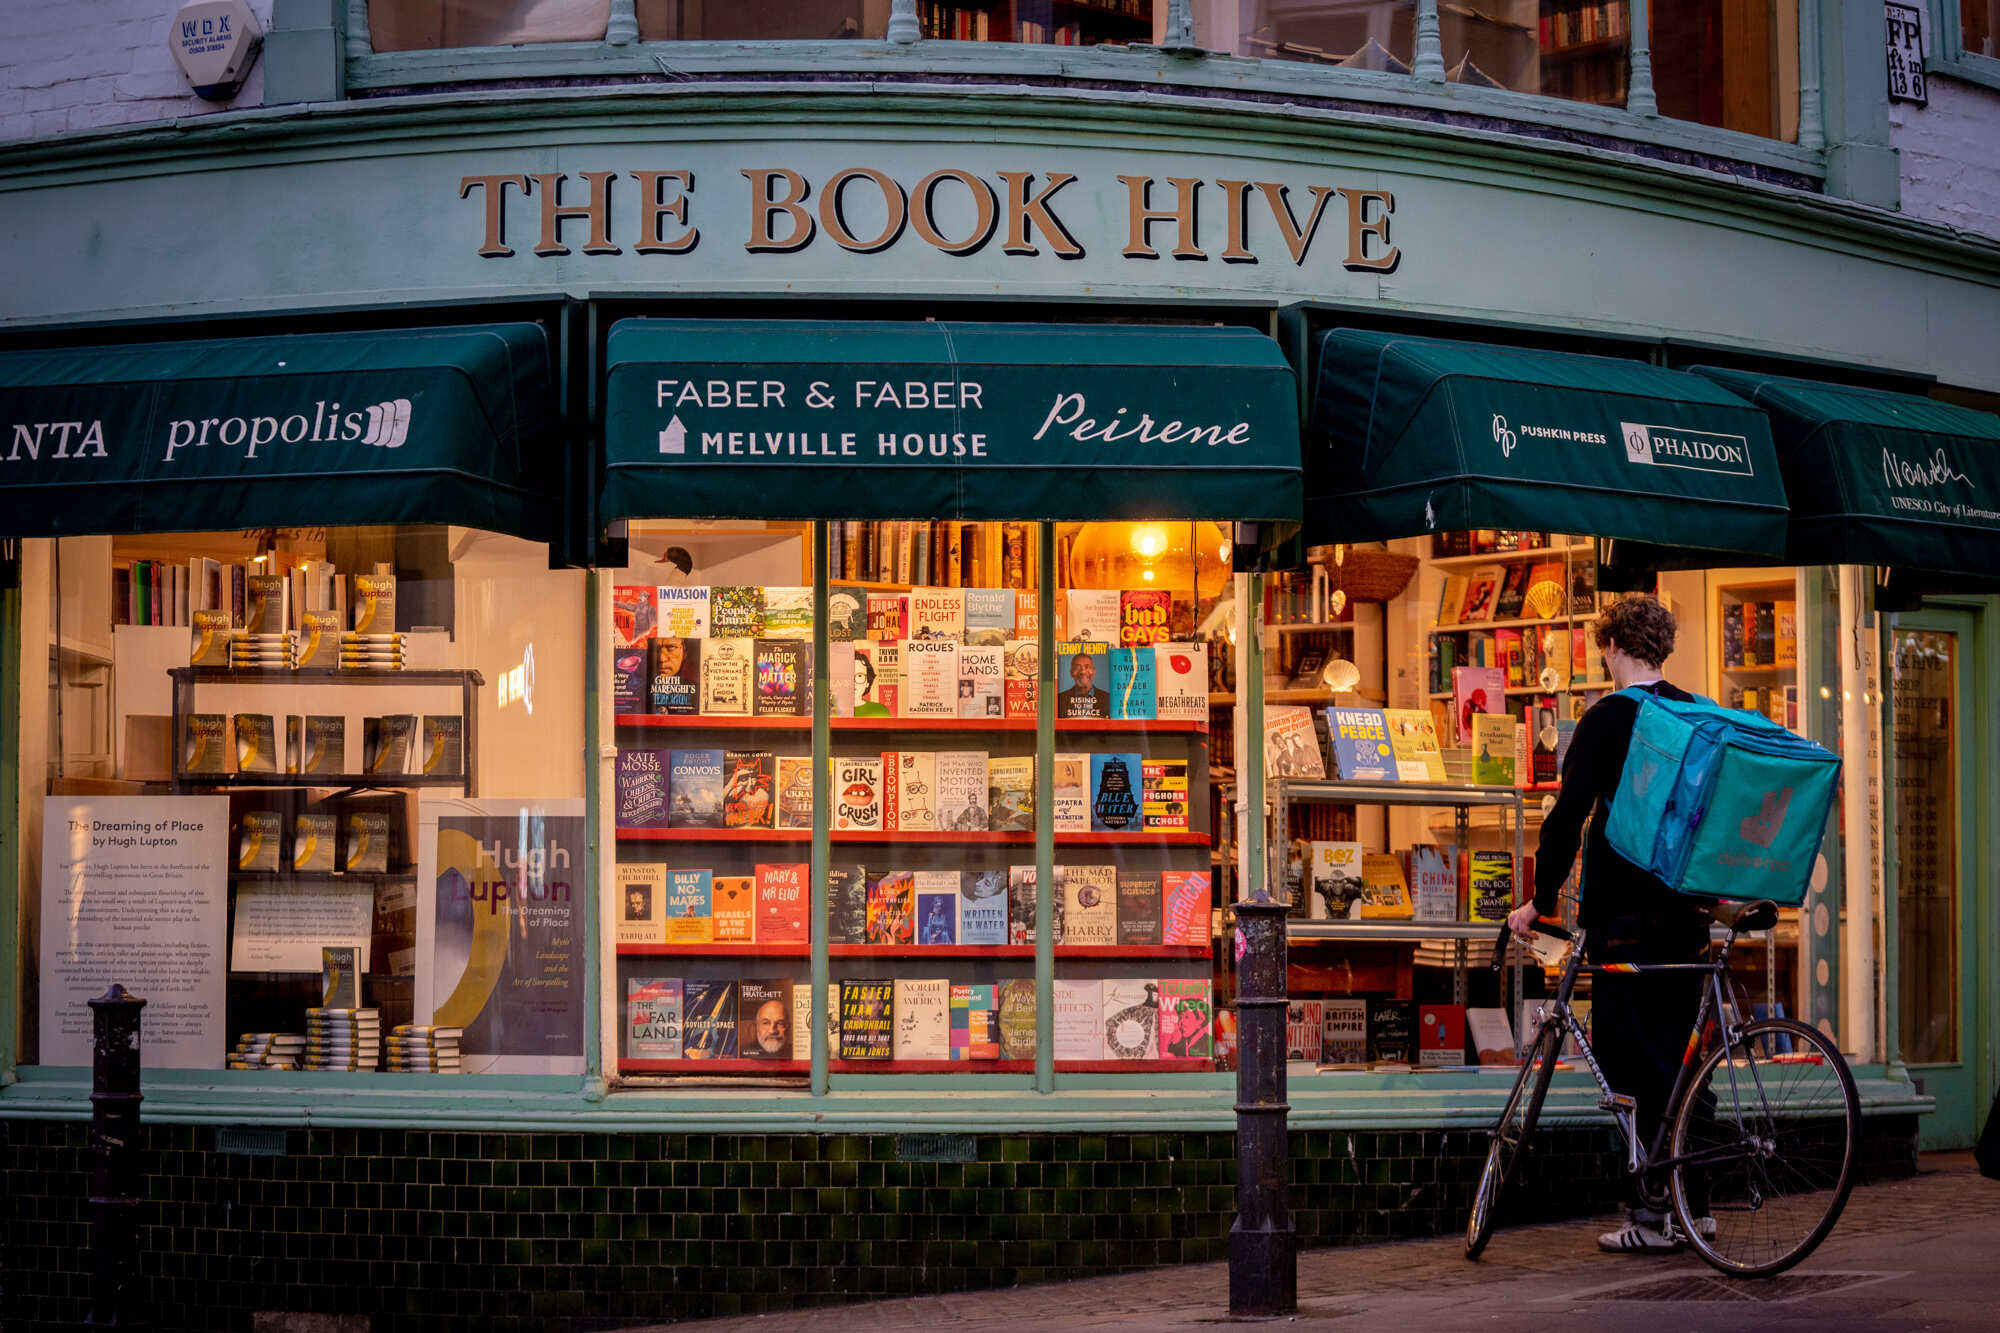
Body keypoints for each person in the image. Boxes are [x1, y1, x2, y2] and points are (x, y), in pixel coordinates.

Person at [1506, 594, 1713, 1254]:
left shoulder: (1605, 719)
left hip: (1624, 917)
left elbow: (1567, 818)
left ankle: (1651, 1216)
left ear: (1613, 647)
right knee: (1685, 1065)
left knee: (1630, 1066)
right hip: (1687, 914)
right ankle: (1695, 1207)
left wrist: (1539, 898)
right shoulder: (1693, 713)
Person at [1058, 649, 1110, 718]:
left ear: (1094, 671)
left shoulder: (1108, 699)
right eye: (1077, 667)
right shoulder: (1060, 699)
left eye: (1087, 667)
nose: (1082, 672)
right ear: (1071, 672)